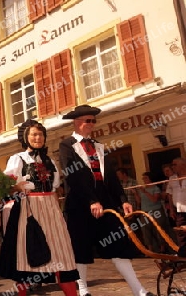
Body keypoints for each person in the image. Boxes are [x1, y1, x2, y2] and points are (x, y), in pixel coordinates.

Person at [59, 104, 155, 296]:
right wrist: (91, 201)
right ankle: (84, 290)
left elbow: (110, 177)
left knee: (118, 245)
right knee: (81, 248)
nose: (92, 124)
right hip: (80, 204)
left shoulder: (99, 146)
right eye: (88, 121)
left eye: (94, 121)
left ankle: (140, 291)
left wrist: (122, 201)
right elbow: (73, 177)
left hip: (106, 203)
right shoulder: (66, 145)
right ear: (77, 123)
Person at [0, 119, 79, 296]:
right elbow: (3, 188)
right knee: (27, 254)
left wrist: (59, 214)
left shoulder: (50, 161)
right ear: (26, 137)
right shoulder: (17, 159)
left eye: (40, 134)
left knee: (62, 252)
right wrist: (16, 187)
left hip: (51, 210)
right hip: (28, 209)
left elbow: (55, 189)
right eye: (34, 134)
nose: (38, 137)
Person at [135, 172, 171, 253]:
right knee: (145, 230)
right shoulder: (143, 189)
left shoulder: (155, 188)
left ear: (150, 178)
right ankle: (150, 250)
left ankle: (162, 248)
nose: (144, 180)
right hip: (145, 211)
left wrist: (145, 192)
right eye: (143, 178)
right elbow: (139, 201)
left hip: (156, 211)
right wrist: (135, 194)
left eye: (145, 178)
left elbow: (154, 200)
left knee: (159, 229)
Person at [166, 157, 186, 253]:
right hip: (179, 211)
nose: (172, 167)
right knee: (181, 232)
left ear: (183, 165)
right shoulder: (172, 178)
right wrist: (171, 210)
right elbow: (169, 194)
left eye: (175, 164)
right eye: (172, 165)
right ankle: (184, 253)